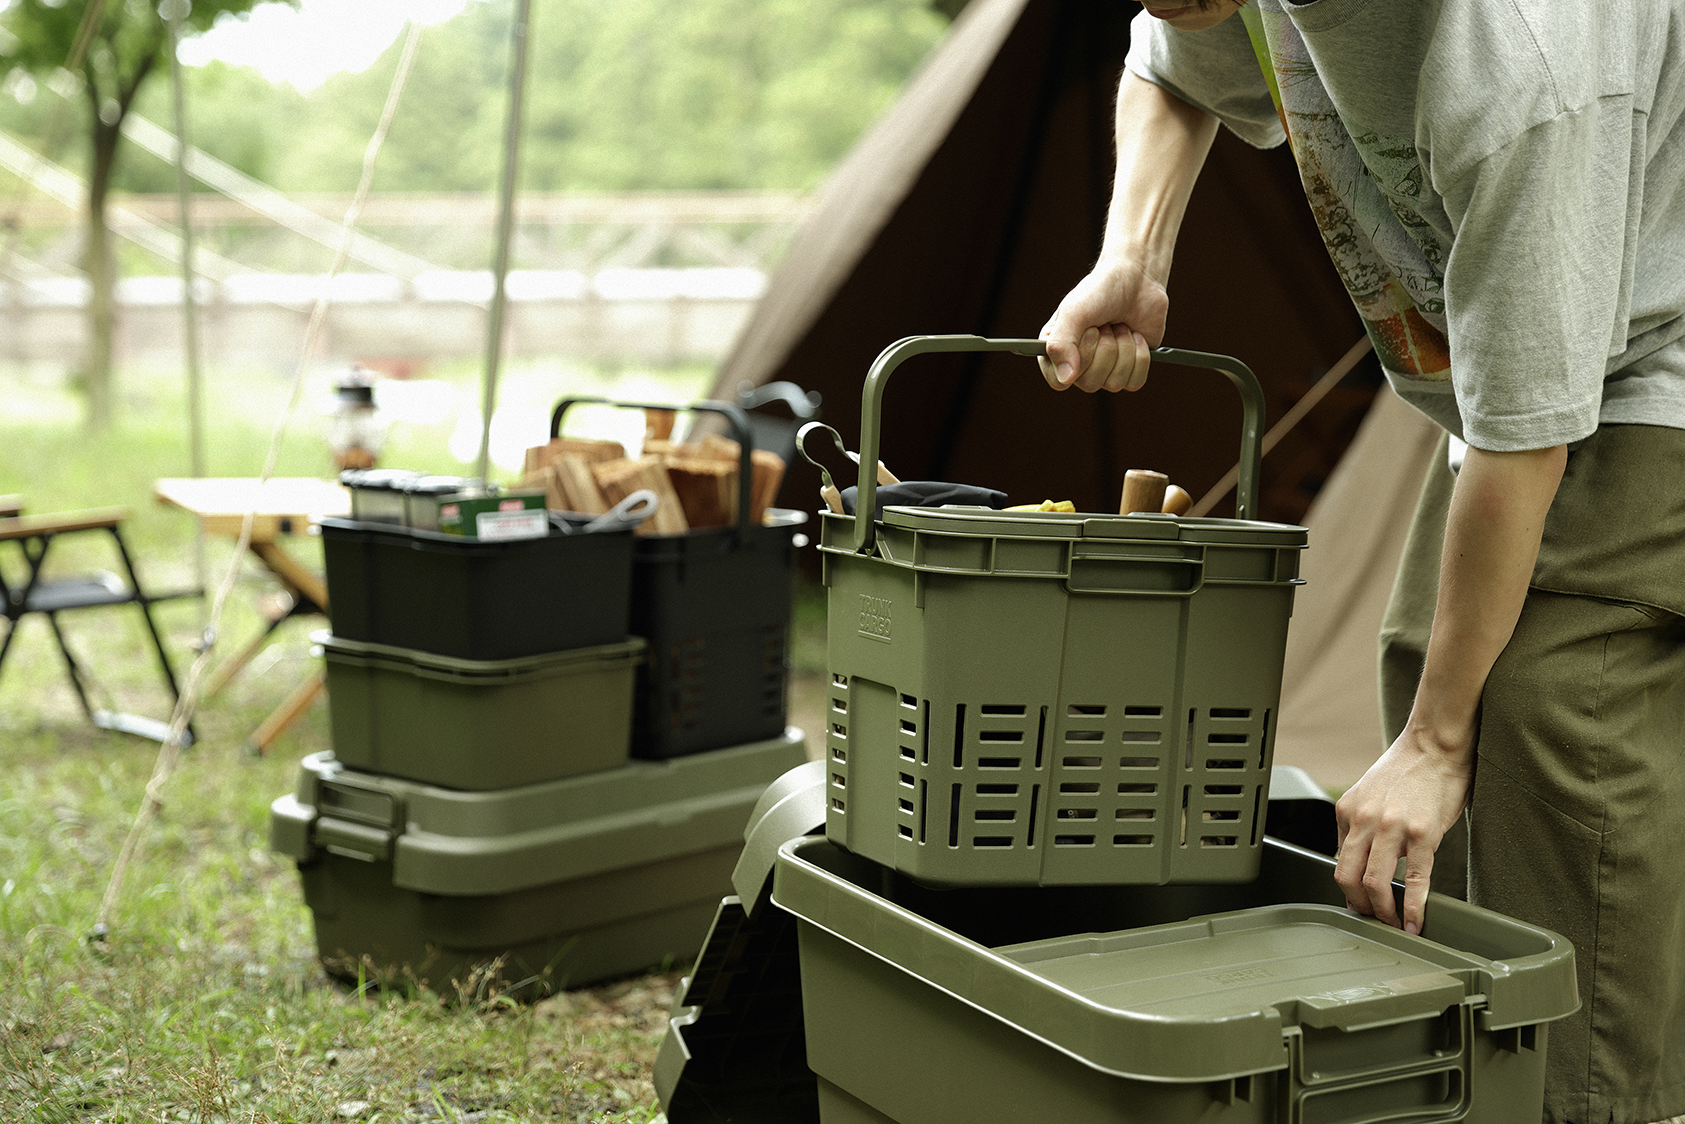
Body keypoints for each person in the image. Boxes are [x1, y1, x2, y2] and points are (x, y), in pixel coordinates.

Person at [1037, 2, 1685, 1121]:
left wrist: (1438, 744)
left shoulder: (1526, 60)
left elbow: (1525, 430)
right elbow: (1175, 72)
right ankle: (1478, 1078)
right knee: (1419, 664)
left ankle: (1595, 1096)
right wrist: (1129, 255)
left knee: (1542, 709)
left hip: (1655, 360)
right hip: (1508, 371)